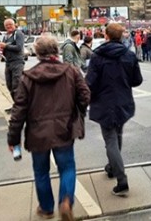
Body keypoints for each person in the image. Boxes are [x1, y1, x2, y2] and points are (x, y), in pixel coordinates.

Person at [8, 36, 90, 220]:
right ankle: (66, 201)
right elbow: (85, 96)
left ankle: (46, 208)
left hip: (38, 132)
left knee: (40, 170)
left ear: (37, 53)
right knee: (67, 167)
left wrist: (13, 138)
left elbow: (18, 110)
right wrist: (78, 112)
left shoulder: (28, 76)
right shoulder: (71, 71)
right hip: (65, 128)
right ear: (56, 51)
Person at [86, 23, 143, 196]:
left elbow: (90, 83)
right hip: (123, 102)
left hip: (104, 103)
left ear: (107, 36)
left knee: (110, 139)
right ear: (121, 36)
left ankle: (121, 178)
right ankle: (112, 167)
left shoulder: (98, 56)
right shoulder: (129, 55)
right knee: (117, 135)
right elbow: (137, 80)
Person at [0, 19, 25, 113]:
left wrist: (5, 46)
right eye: (6, 25)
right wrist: (1, 49)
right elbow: (4, 48)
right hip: (8, 63)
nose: (8, 26)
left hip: (17, 62)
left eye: (10, 24)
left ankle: (20, 107)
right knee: (9, 85)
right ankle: (16, 105)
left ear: (14, 25)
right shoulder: (5, 36)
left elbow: (18, 47)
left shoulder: (18, 34)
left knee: (16, 86)